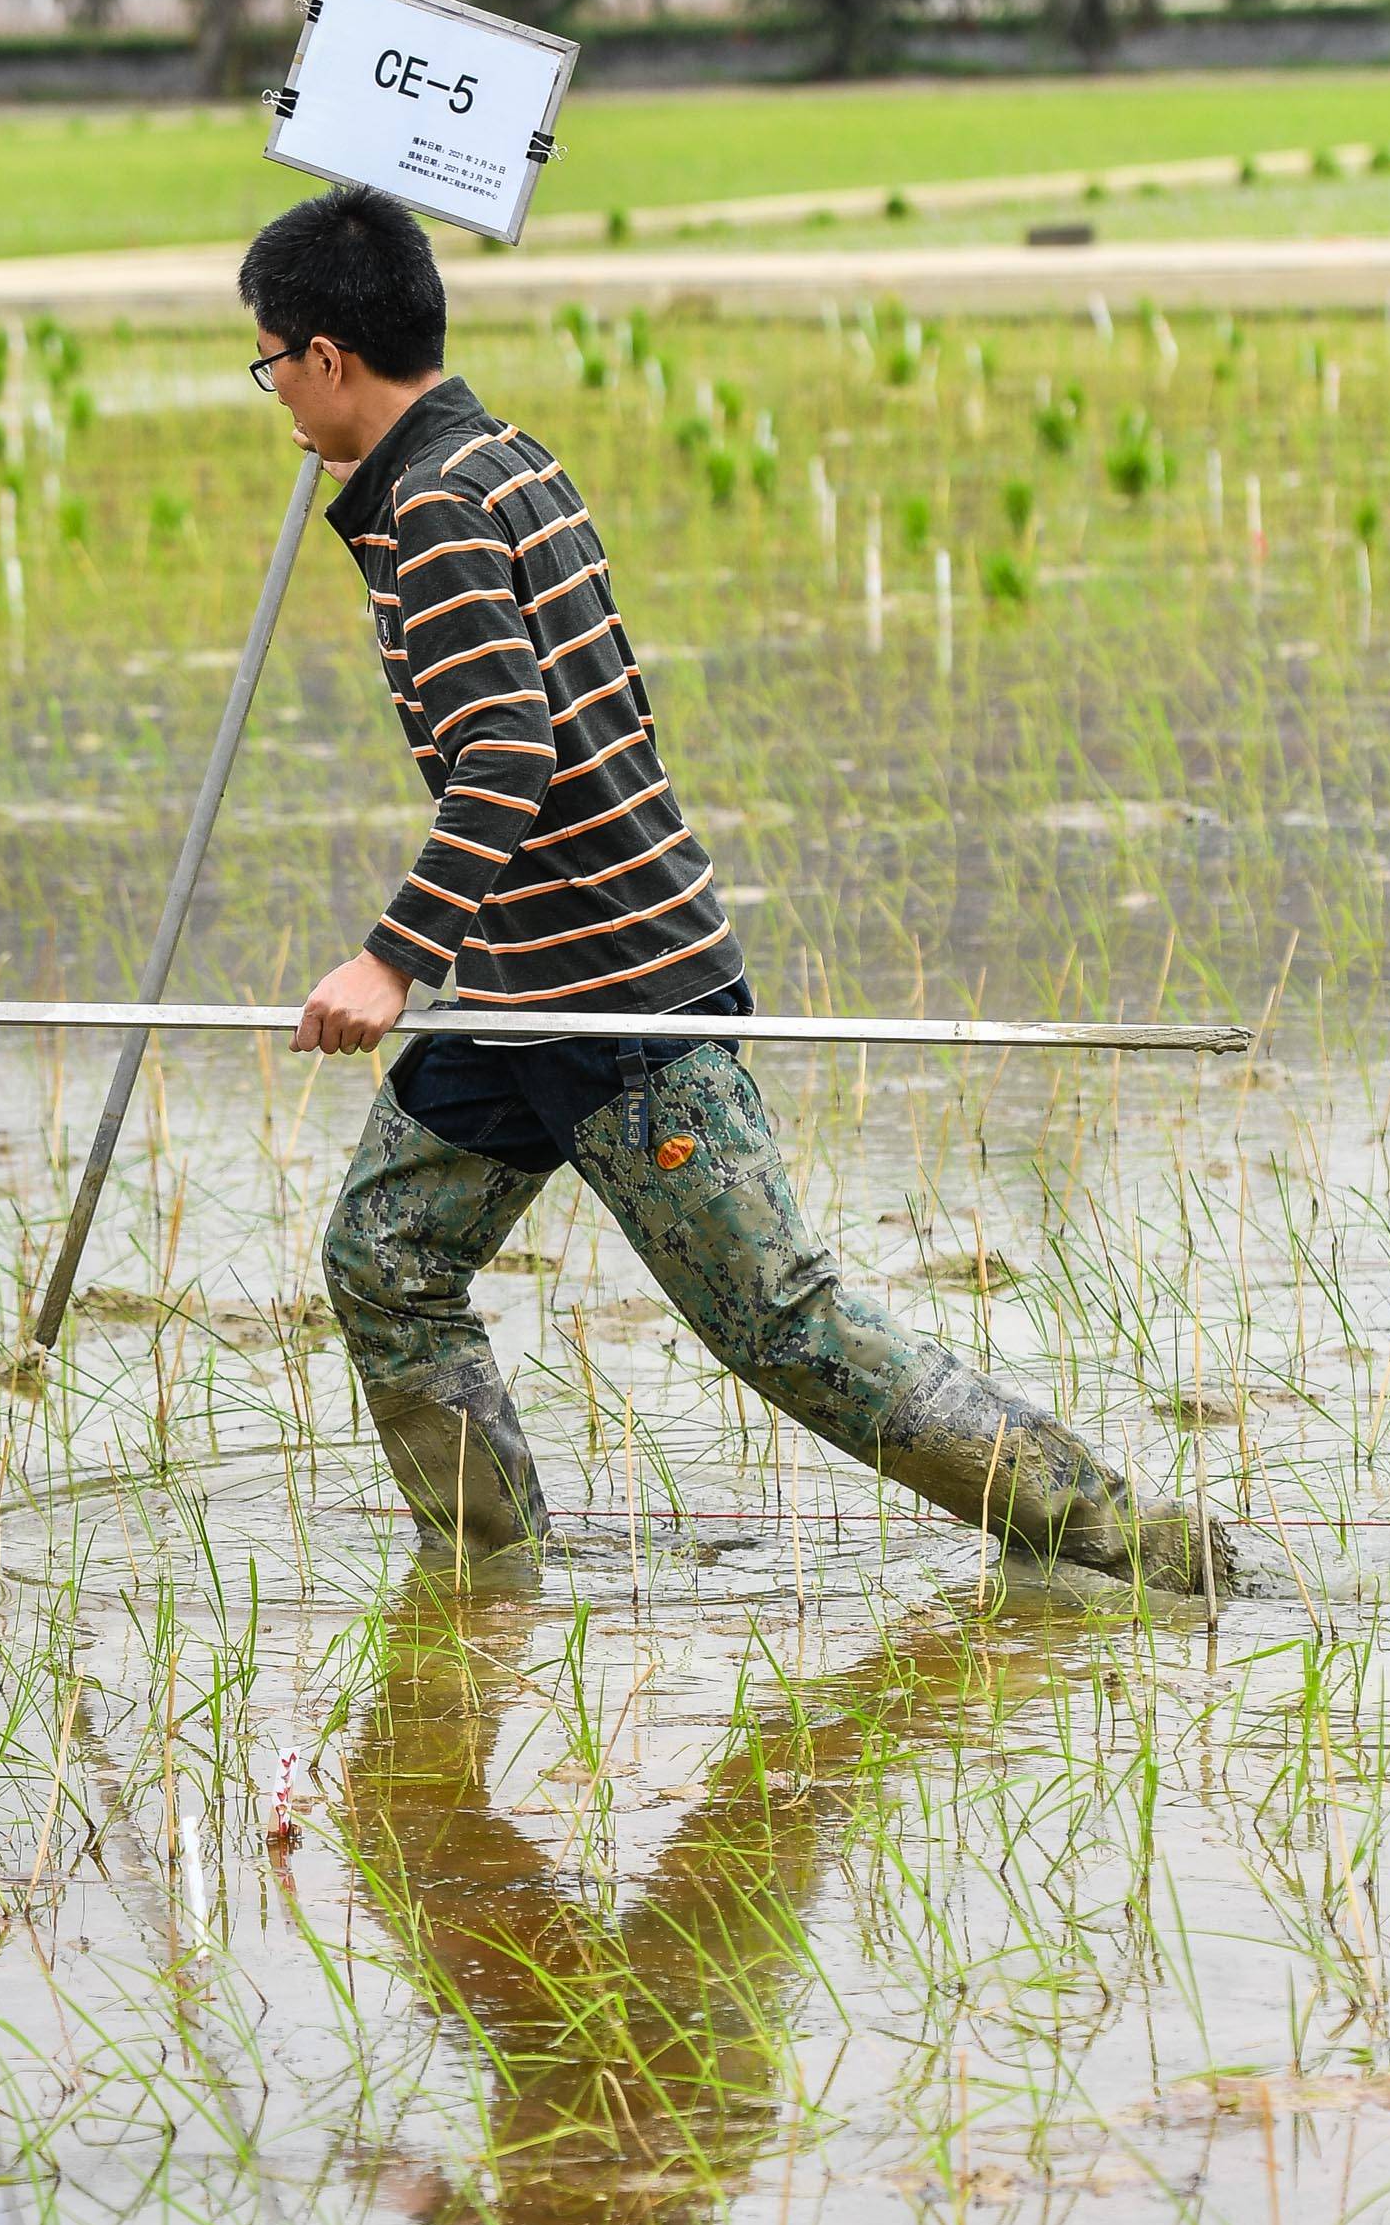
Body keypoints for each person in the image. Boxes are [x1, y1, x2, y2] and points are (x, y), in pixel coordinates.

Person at [241, 182, 1226, 1597]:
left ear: (328, 354)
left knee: (781, 1323)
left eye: (273, 360)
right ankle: (478, 1578)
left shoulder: (445, 511)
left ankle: (1120, 1542)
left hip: (612, 991)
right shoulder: (498, 458)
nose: (273, 392)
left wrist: (391, 960)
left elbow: (508, 748)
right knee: (385, 1261)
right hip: (518, 982)